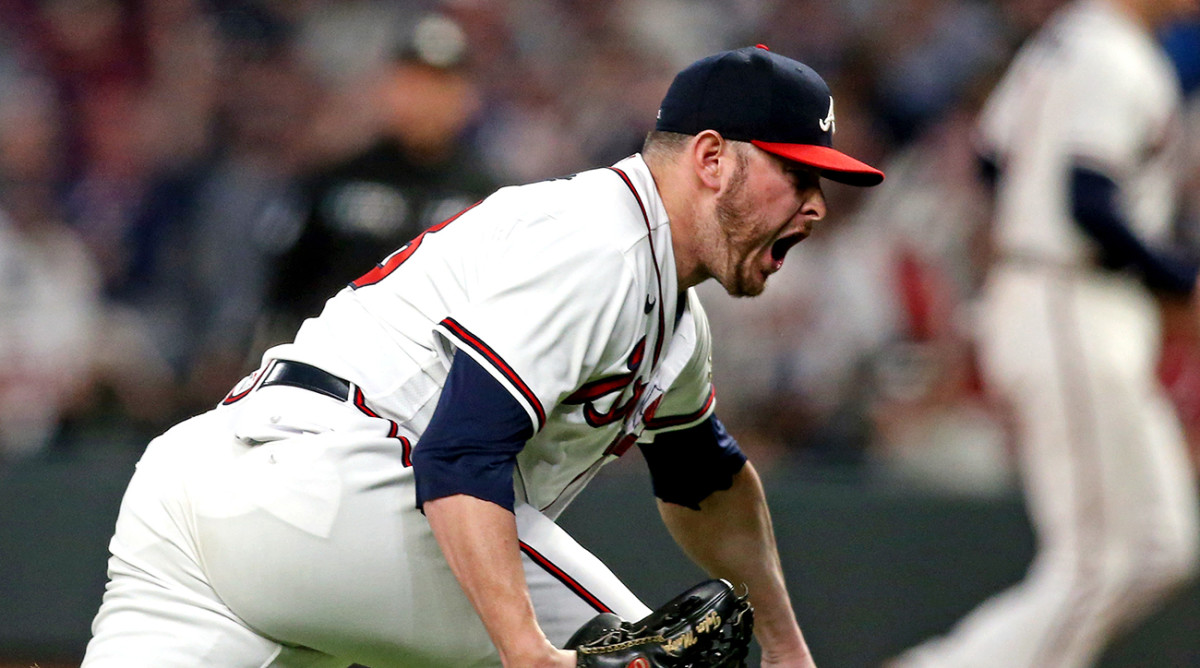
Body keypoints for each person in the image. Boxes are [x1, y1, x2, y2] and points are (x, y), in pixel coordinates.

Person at [81, 45, 883, 668]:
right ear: (712, 160)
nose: (816, 203)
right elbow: (460, 452)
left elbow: (702, 476)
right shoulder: (601, 242)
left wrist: (785, 645)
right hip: (339, 481)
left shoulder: (665, 304)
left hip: (201, 483)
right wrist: (525, 652)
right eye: (796, 171)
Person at [890, 1, 1200, 666]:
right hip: (1071, 298)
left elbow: (993, 160)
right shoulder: (1111, 52)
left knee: (1158, 544)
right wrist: (1178, 276)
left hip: (1066, 295)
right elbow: (1086, 198)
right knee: (1093, 564)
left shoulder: (1066, 42)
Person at [265, 12, 496, 342]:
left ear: (466, 96)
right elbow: (284, 299)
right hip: (335, 370)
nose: (425, 98)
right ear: (389, 87)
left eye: (441, 84)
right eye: (414, 81)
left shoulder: (491, 199)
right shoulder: (335, 182)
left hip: (443, 380)